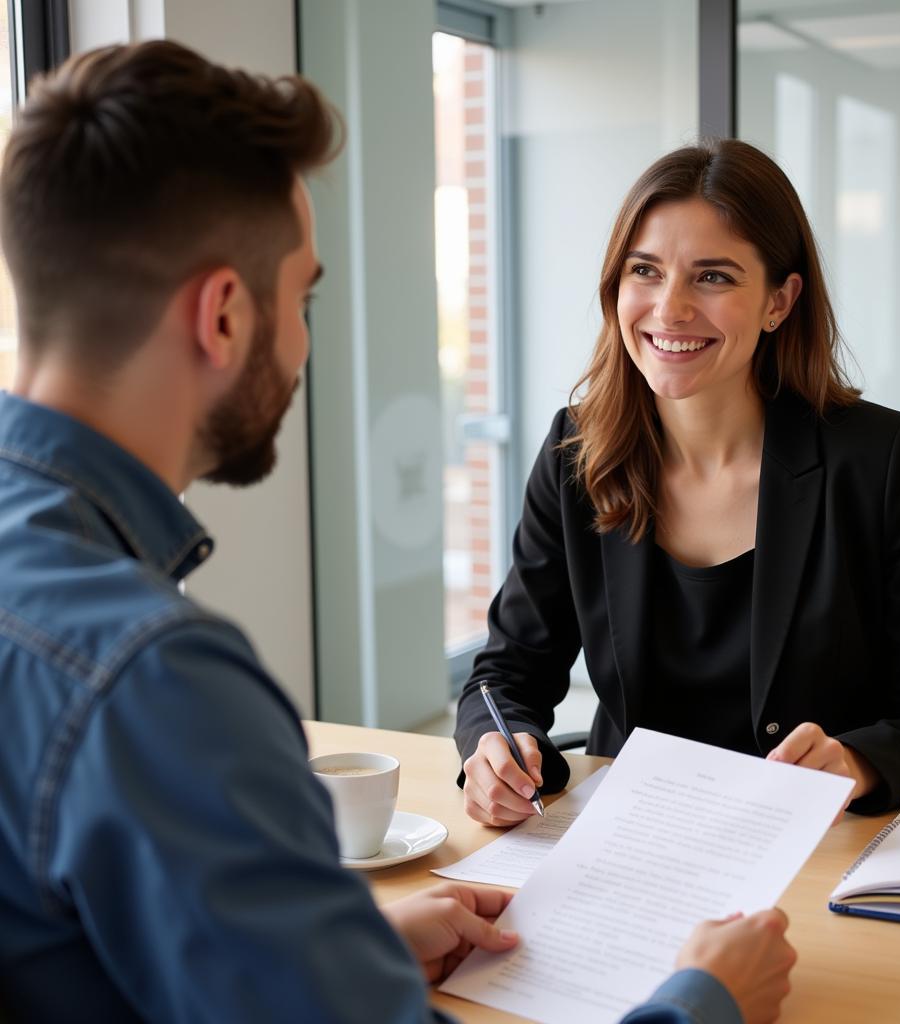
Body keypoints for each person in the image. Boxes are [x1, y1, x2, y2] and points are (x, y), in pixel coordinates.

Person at [0, 41, 796, 1024]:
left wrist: (338, 949)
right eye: (306, 296)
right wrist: (703, 1002)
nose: (301, 341)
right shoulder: (156, 681)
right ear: (221, 315)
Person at [456, 139, 900, 828]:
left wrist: (859, 763)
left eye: (713, 277)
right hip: (634, 838)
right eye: (644, 270)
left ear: (779, 300)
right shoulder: (576, 455)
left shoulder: (881, 458)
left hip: (816, 850)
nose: (670, 309)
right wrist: (496, 747)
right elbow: (505, 675)